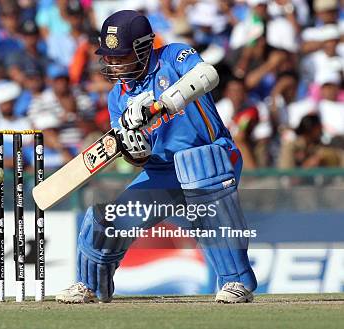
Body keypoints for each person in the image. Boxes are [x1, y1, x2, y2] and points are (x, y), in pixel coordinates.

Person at [55, 10, 257, 304]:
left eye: (119, 55)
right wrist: (137, 150)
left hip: (211, 158)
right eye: (108, 56)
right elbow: (137, 157)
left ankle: (235, 282)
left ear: (141, 48)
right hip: (161, 171)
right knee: (106, 218)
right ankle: (90, 285)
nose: (111, 62)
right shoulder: (117, 97)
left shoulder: (173, 56)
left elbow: (207, 75)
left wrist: (163, 104)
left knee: (197, 168)